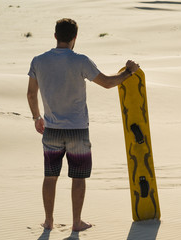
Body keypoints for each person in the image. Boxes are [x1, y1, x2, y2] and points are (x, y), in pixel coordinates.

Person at [27, 18, 139, 232]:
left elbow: (31, 93)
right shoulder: (80, 60)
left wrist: (36, 117)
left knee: (50, 176)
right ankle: (76, 223)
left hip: (51, 129)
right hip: (78, 130)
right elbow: (107, 83)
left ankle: (49, 222)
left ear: (55, 36)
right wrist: (128, 72)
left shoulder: (38, 61)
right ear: (74, 38)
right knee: (78, 177)